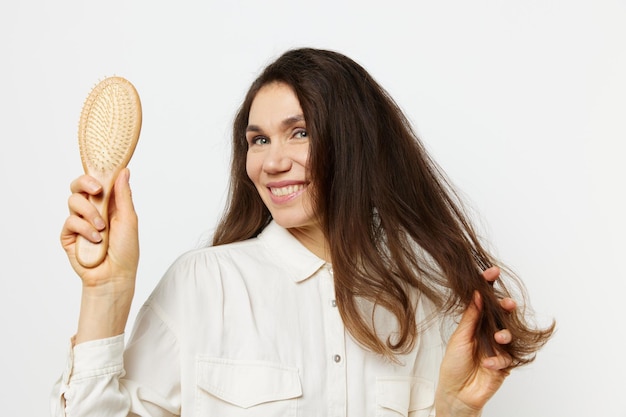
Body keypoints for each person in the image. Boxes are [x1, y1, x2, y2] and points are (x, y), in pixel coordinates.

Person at [52, 48, 554, 417]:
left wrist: (452, 411)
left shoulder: (425, 302)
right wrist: (105, 291)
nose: (272, 162)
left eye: (300, 132)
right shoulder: (204, 283)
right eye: (258, 140)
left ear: (354, 143)